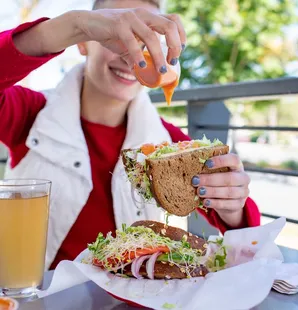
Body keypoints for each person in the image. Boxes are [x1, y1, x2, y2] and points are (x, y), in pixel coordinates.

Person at [0, 0, 260, 270]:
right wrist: (73, 24)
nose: (133, 56)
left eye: (148, 42)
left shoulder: (168, 144)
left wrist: (232, 207)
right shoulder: (30, 113)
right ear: (83, 42)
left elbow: (246, 236)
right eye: (116, 36)